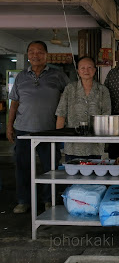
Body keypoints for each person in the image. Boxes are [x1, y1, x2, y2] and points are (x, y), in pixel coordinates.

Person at [7, 41, 69, 214]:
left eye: (39, 52)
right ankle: (23, 200)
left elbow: (69, 98)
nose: (35, 55)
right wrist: (9, 126)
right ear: (28, 55)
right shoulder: (20, 77)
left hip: (49, 130)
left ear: (46, 55)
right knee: (22, 167)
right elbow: (14, 104)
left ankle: (49, 200)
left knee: (51, 168)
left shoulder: (58, 75)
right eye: (32, 52)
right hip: (23, 129)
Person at [56, 56, 111, 161]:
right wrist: (59, 140)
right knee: (73, 175)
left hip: (95, 145)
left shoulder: (103, 90)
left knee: (94, 174)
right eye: (83, 68)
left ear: (95, 70)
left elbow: (106, 116)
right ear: (78, 71)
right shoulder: (70, 89)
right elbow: (61, 113)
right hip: (73, 145)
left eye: (90, 67)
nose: (86, 71)